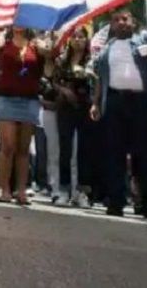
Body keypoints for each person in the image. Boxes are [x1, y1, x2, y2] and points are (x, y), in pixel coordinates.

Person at [89, 4, 147, 220]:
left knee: (145, 155)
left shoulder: (144, 41)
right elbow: (100, 78)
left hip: (141, 103)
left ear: (132, 22)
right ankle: (116, 201)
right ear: (112, 24)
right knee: (114, 154)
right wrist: (96, 103)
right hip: (114, 102)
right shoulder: (105, 50)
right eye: (117, 19)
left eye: (125, 19)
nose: (121, 23)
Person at [0, 25, 51, 205]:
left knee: (23, 149)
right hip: (6, 98)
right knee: (7, 146)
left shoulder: (36, 46)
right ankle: (4, 188)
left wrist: (46, 48)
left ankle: (21, 190)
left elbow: (48, 67)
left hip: (29, 99)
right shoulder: (4, 43)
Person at [54, 27, 97, 208]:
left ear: (87, 40)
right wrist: (64, 90)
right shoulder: (62, 60)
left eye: (81, 37)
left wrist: (95, 102)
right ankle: (64, 189)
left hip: (86, 106)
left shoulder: (92, 60)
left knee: (85, 149)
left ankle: (82, 192)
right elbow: (54, 81)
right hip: (65, 107)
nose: (77, 40)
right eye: (74, 37)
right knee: (65, 148)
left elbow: (98, 81)